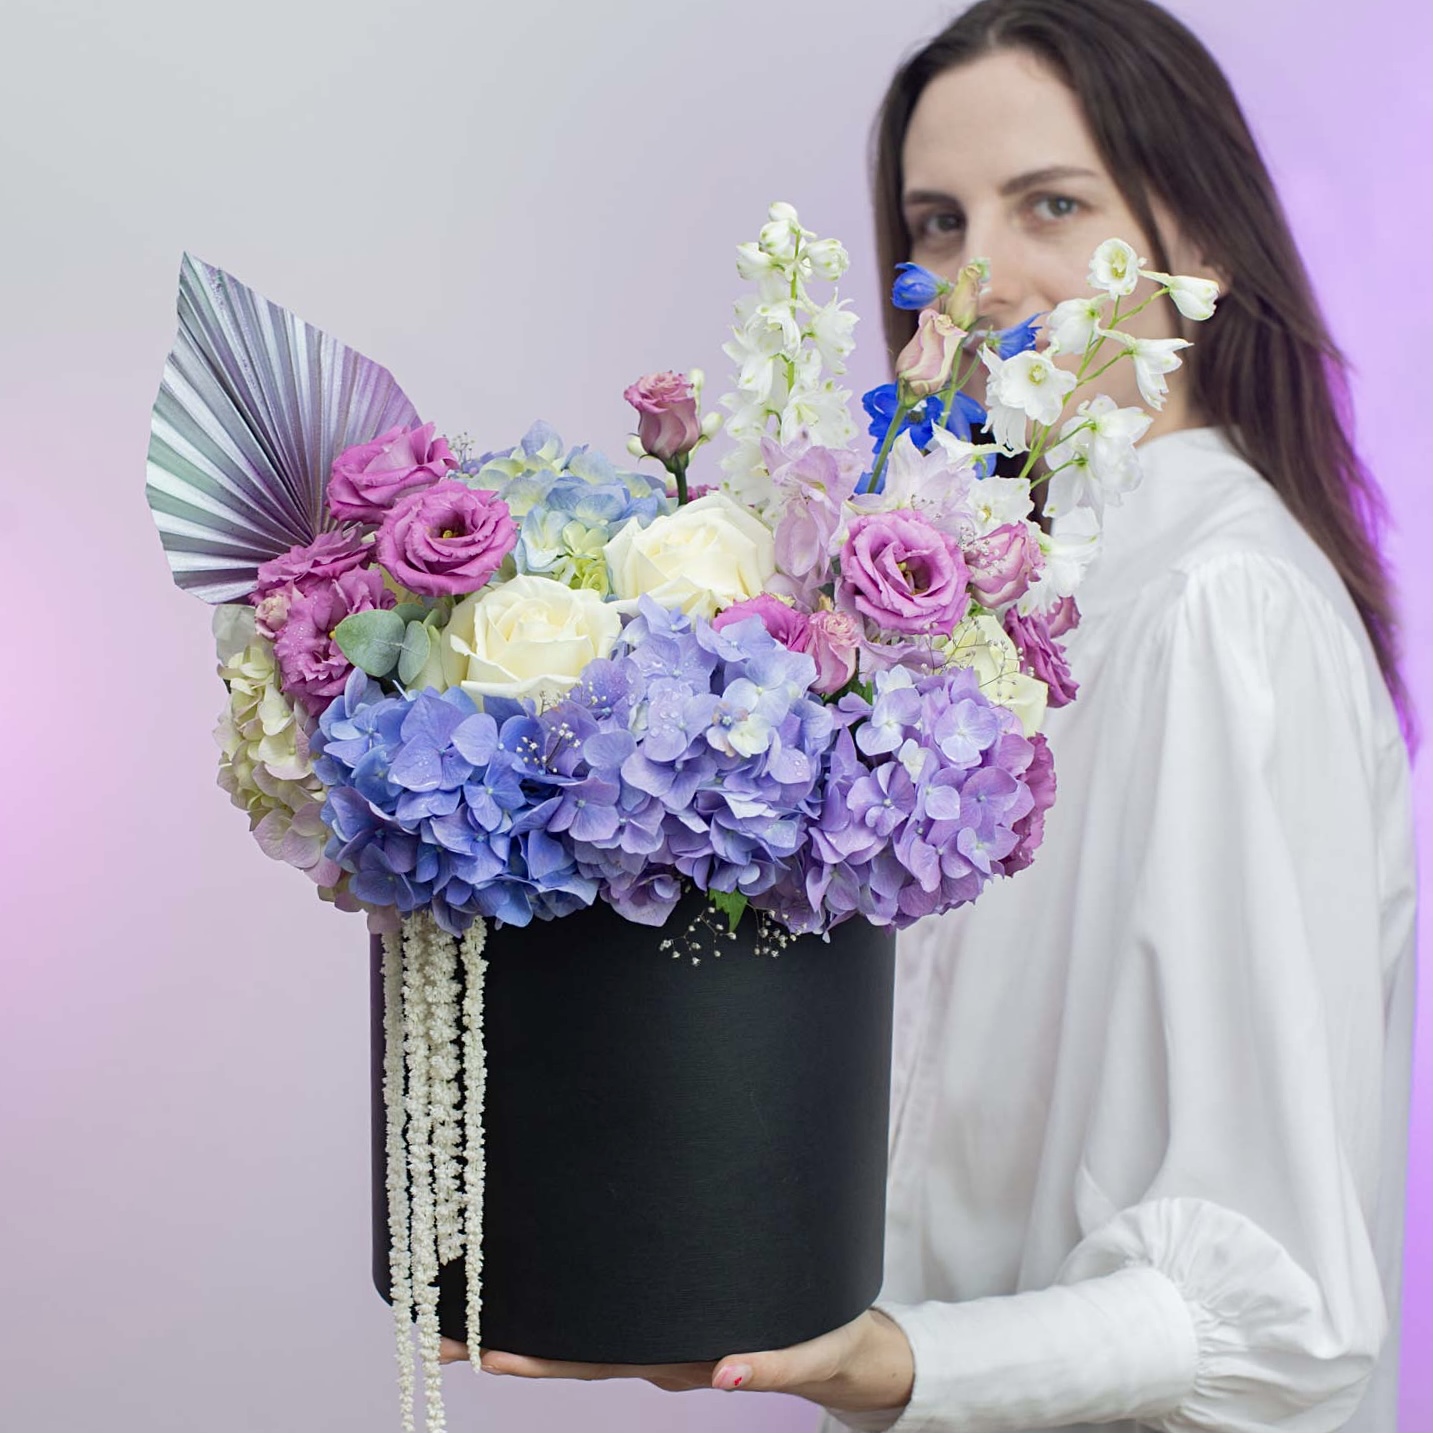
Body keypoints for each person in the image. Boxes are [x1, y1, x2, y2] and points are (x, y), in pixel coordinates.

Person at [443, 2, 1419, 1429]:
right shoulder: (1013, 599)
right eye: (938, 224)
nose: (978, 280)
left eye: (1052, 205)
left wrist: (894, 1359)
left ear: (1201, 240)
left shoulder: (1219, 603)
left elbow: (1281, 1305)